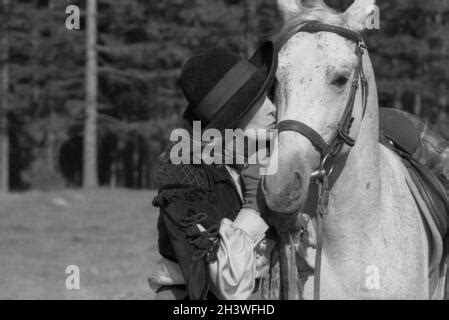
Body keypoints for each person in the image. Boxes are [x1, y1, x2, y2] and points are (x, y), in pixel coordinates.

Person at [149, 41, 279, 300]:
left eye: (268, 95)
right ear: (229, 118)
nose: (272, 108)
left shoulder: (262, 154)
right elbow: (227, 281)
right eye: (256, 101)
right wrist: (254, 204)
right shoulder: (183, 172)